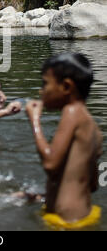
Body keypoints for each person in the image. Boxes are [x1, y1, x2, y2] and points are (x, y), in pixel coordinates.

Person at [26, 53, 103, 230]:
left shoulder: (71, 112)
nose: (41, 91)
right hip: (84, 213)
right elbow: (92, 185)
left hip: (66, 220)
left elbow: (50, 164)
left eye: (45, 83)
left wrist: (34, 120)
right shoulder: (95, 129)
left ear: (66, 86)